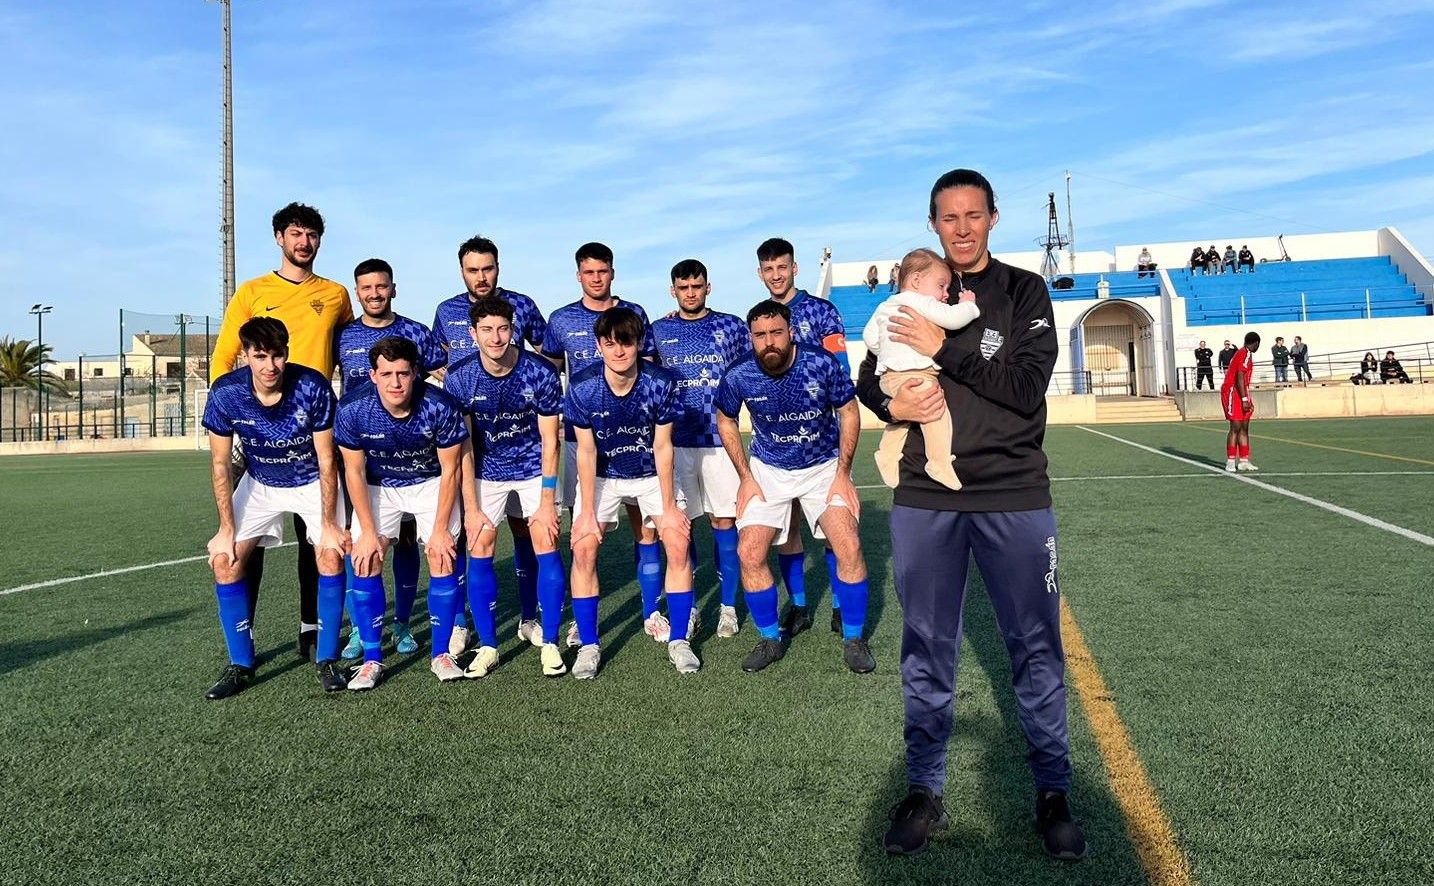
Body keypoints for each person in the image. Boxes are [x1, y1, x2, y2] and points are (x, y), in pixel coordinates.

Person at [858, 169, 1085, 859]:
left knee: (1034, 646)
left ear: (992, 218)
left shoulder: (1022, 292)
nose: (962, 228)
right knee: (926, 645)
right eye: (949, 217)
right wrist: (892, 404)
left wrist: (944, 349)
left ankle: (1051, 791)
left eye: (973, 215)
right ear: (934, 224)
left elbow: (1021, 388)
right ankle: (925, 789)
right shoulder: (911, 290)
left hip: (1014, 493)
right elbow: (870, 372)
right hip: (927, 495)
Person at [208, 202, 353, 662]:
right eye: (295, 234)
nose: (303, 242)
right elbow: (224, 356)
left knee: (319, 539)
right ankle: (243, 638)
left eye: (311, 235)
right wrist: (231, 416)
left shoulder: (335, 294)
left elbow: (350, 352)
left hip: (314, 425)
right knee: (246, 542)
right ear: (278, 238)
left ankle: (311, 629)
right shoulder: (252, 291)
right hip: (259, 429)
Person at [716, 299, 874, 675]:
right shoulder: (738, 374)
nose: (768, 341)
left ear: (790, 332)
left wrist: (842, 472)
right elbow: (725, 419)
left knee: (848, 542)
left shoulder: (821, 363)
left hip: (822, 468)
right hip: (768, 470)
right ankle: (770, 637)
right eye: (759, 335)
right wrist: (746, 478)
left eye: (776, 332)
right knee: (750, 551)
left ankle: (853, 637)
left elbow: (848, 411)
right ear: (750, 337)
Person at [200, 318, 348, 699]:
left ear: (287, 353)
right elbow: (220, 465)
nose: (270, 366)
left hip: (311, 481)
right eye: (260, 356)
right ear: (245, 356)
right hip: (261, 482)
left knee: (330, 555)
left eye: (277, 355)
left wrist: (330, 524)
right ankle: (241, 664)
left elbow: (327, 459)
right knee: (225, 560)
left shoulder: (312, 387)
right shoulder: (226, 393)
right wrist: (225, 528)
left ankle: (327, 658)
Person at [541, 243, 668, 643]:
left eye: (603, 271)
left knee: (644, 528)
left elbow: (648, 366)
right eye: (589, 272)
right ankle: (584, 618)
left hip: (633, 435)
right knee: (585, 532)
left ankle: (651, 612)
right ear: (578, 275)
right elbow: (550, 369)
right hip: (583, 436)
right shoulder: (561, 319)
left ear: (612, 273)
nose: (596, 278)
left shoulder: (634, 314)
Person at [431, 236, 550, 650]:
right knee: (470, 532)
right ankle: (464, 621)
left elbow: (548, 353)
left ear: (499, 267)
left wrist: (530, 387)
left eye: (488, 268)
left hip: (524, 448)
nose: (481, 277)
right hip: (470, 448)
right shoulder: (446, 311)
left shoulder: (522, 305)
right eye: (473, 270)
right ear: (461, 271)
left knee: (525, 530)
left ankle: (530, 616)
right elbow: (435, 362)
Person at [564, 307, 695, 679]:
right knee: (584, 545)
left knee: (677, 539)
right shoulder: (583, 387)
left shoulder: (660, 383)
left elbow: (663, 446)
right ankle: (589, 644)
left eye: (627, 343)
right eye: (610, 344)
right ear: (598, 346)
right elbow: (586, 452)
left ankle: (679, 639)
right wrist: (587, 510)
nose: (619, 351)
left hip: (651, 473)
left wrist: (668, 507)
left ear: (639, 343)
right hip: (605, 474)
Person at [334, 337, 469, 688]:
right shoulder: (352, 409)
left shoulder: (440, 405)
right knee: (365, 559)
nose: (396, 382)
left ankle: (441, 654)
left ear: (416, 374)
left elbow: (451, 469)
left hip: (431, 482)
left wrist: (440, 530)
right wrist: (366, 531)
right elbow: (354, 472)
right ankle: (372, 658)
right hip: (380, 487)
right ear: (373, 375)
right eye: (387, 373)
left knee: (442, 555)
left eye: (404, 374)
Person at [445, 296, 569, 678]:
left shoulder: (540, 372)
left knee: (545, 541)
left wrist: (547, 500)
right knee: (480, 543)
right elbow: (462, 444)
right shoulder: (460, 376)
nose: (496, 337)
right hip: (486, 471)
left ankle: (549, 641)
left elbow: (552, 441)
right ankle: (488, 645)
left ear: (513, 329)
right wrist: (471, 504)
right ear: (473, 334)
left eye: (503, 328)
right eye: (487, 330)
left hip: (534, 469)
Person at [334, 258, 448, 658]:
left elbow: (444, 377)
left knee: (406, 542)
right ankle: (360, 629)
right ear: (357, 292)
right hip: (363, 452)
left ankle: (402, 624)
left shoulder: (416, 332)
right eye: (366, 288)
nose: (374, 294)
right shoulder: (343, 335)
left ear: (393, 289)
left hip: (416, 458)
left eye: (381, 286)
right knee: (360, 542)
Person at [755, 237, 852, 635]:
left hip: (821, 442)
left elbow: (841, 368)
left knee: (834, 528)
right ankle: (798, 606)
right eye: (768, 269)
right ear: (760, 273)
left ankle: (842, 605)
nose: (776, 275)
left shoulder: (821, 312)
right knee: (788, 528)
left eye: (783, 267)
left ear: (794, 268)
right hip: (777, 445)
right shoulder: (761, 320)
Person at [653, 259, 750, 639]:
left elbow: (746, 373)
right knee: (681, 528)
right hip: (675, 443)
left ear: (708, 287)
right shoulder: (659, 331)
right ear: (673, 290)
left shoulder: (731, 326)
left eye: (697, 286)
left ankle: (727, 607)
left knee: (724, 522)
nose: (690, 293)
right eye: (683, 287)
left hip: (719, 442)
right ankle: (689, 606)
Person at [862, 247, 979, 490]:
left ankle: (887, 454)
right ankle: (938, 461)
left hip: (888, 377)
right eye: (941, 286)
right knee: (934, 411)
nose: (946, 294)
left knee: (904, 415)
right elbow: (953, 318)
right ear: (917, 280)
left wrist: (886, 351)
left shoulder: (886, 305)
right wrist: (968, 305)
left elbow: (869, 337)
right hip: (917, 374)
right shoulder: (921, 302)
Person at [1222, 331, 1262, 472]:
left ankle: (1244, 460)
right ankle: (1231, 461)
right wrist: (1244, 399)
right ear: (1256, 343)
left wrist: (1246, 397)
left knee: (1244, 427)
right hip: (1233, 391)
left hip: (1243, 390)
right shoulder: (1244, 353)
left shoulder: (1246, 354)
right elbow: (1239, 376)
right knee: (1235, 427)